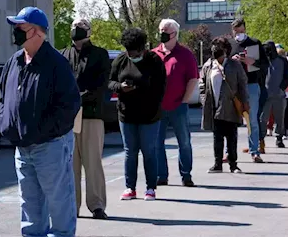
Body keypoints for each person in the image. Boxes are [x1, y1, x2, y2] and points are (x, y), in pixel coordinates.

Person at [0, 7, 81, 237]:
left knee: (58, 195)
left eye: (20, 27)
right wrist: (6, 123)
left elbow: (69, 105)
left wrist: (46, 130)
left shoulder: (56, 62)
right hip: (22, 144)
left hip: (50, 143)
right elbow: (4, 97)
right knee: (29, 195)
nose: (15, 32)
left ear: (36, 31)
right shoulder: (14, 61)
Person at [60, 18, 110, 220]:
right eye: (73, 28)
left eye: (79, 28)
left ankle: (97, 205)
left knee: (93, 162)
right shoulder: (62, 55)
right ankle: (72, 206)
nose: (75, 31)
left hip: (91, 114)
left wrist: (78, 97)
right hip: (68, 117)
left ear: (88, 31)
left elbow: (101, 85)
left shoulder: (100, 55)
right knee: (70, 165)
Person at [109, 28, 166, 201]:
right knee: (130, 152)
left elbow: (160, 88)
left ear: (142, 49)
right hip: (126, 114)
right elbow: (110, 81)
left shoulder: (154, 61)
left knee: (149, 151)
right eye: (128, 51)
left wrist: (140, 89)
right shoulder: (120, 60)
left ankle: (150, 188)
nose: (130, 55)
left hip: (149, 115)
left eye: (134, 52)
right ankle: (130, 188)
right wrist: (120, 87)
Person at [153, 19, 199, 187]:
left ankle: (186, 175)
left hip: (178, 106)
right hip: (157, 107)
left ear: (174, 34)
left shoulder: (185, 55)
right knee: (157, 143)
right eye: (160, 30)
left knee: (184, 142)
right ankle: (161, 175)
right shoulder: (153, 54)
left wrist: (185, 100)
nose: (162, 33)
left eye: (165, 31)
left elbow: (193, 79)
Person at [201, 37, 249, 173]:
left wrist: (245, 102)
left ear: (226, 50)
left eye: (219, 48)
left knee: (232, 136)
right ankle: (217, 164)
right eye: (214, 47)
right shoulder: (208, 65)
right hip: (214, 107)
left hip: (231, 106)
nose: (215, 50)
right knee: (217, 137)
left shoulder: (234, 65)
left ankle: (233, 164)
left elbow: (242, 85)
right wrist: (204, 98)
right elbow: (202, 82)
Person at [231, 18, 268, 163]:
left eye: (241, 31)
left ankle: (255, 151)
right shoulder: (230, 44)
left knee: (252, 120)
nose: (239, 34)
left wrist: (253, 62)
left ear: (245, 29)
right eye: (236, 31)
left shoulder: (254, 43)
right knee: (232, 120)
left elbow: (265, 64)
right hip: (234, 86)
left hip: (251, 84)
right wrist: (232, 59)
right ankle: (230, 153)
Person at [259, 41, 288, 149]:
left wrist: (282, 87)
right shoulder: (263, 61)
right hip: (265, 95)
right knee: (263, 118)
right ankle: (261, 139)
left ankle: (279, 138)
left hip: (279, 94)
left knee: (279, 118)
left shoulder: (282, 61)